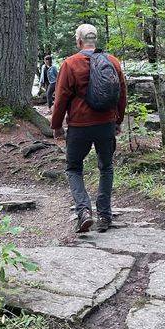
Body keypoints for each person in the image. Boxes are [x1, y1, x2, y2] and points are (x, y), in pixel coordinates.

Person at [51, 24, 127, 233]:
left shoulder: (70, 64)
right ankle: (105, 215)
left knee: (74, 168)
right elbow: (121, 95)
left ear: (78, 41)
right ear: (96, 40)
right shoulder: (112, 62)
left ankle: (84, 211)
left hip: (79, 125)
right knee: (106, 167)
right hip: (106, 124)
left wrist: (57, 125)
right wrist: (118, 120)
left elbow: (61, 99)